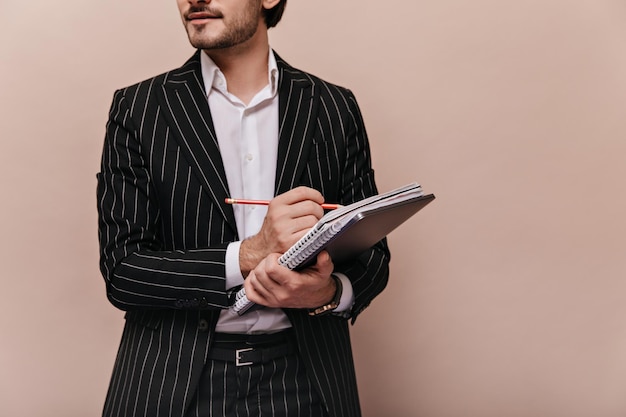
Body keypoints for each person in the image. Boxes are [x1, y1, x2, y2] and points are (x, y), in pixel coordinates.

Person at [96, 0, 390, 416]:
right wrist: (249, 254)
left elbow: (372, 256)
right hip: (172, 381)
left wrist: (326, 293)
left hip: (306, 379)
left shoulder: (333, 108)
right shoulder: (139, 108)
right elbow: (123, 272)